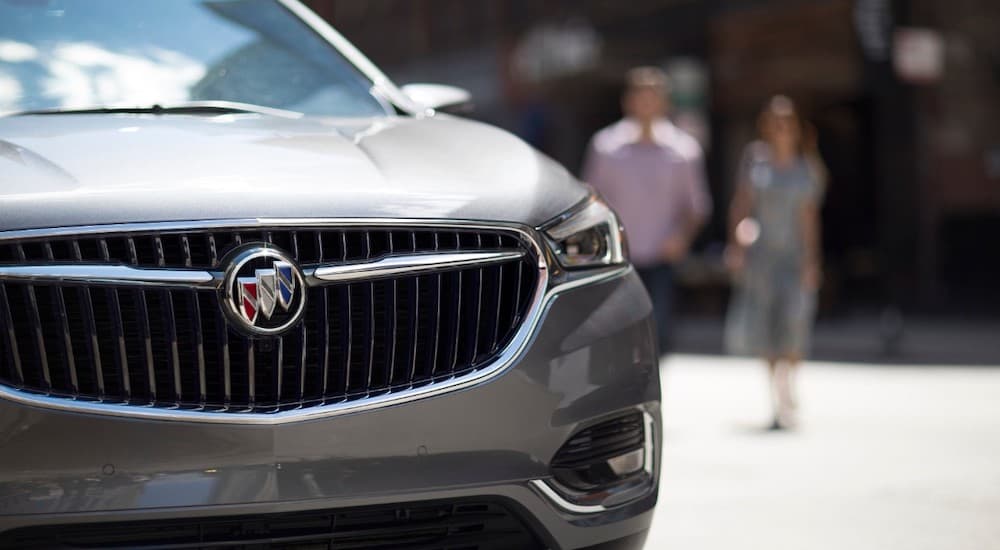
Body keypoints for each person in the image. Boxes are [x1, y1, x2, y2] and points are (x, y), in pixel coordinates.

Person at [583, 66, 711, 354]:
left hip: (662, 257)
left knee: (659, 333)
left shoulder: (684, 150)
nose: (646, 103)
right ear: (627, 101)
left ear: (665, 102)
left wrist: (681, 238)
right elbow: (591, 202)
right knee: (617, 335)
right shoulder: (605, 147)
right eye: (640, 96)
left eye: (653, 96)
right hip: (619, 256)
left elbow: (696, 207)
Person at [725, 95, 826, 430]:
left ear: (796, 127)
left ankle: (789, 382)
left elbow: (809, 218)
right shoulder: (755, 160)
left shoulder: (806, 167)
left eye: (787, 121)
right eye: (775, 121)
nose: (781, 127)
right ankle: (775, 395)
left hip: (793, 256)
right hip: (761, 257)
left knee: (795, 321)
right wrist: (738, 241)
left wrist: (812, 261)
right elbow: (741, 205)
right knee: (765, 325)